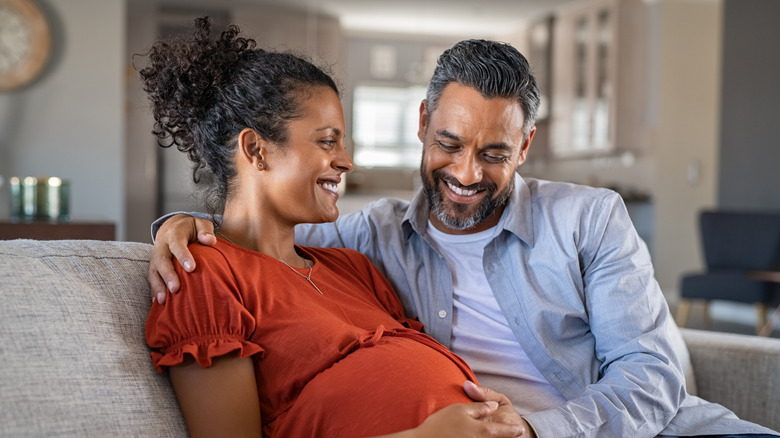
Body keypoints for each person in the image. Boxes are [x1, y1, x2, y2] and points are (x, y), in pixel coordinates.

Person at [148, 36, 780, 438]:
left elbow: (649, 374)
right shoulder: (372, 238)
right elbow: (246, 250)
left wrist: (535, 431)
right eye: (449, 144)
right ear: (423, 124)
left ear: (526, 145)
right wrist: (183, 226)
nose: (467, 174)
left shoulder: (590, 219)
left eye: (495, 152)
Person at [140, 18, 531, 438]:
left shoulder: (352, 266)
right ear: (256, 150)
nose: (346, 161)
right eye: (328, 141)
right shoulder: (205, 275)